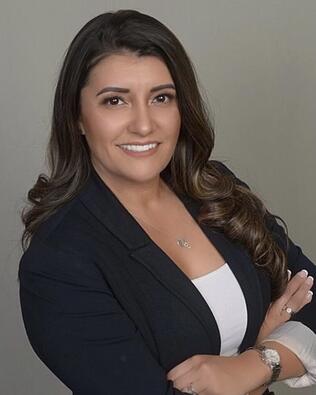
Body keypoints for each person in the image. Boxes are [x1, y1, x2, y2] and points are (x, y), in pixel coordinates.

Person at [18, 9, 316, 395]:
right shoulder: (57, 261)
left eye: (161, 97)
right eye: (114, 101)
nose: (144, 125)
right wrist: (270, 367)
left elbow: (312, 295)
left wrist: (255, 365)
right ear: (77, 116)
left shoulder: (215, 188)